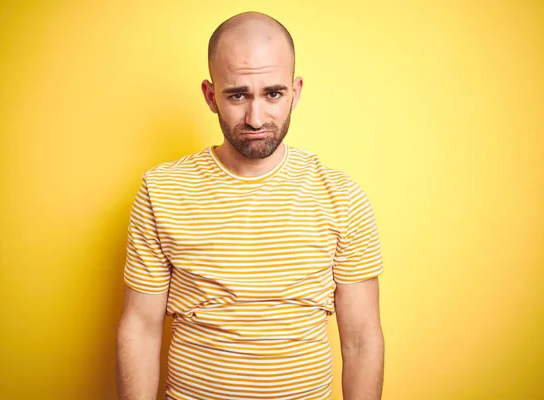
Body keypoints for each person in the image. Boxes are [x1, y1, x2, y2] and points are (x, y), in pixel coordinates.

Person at [116, 11, 384, 400]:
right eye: (237, 95)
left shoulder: (342, 196)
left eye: (273, 94)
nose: (256, 118)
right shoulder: (161, 190)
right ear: (211, 96)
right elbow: (139, 328)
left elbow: (361, 341)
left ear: (296, 91)